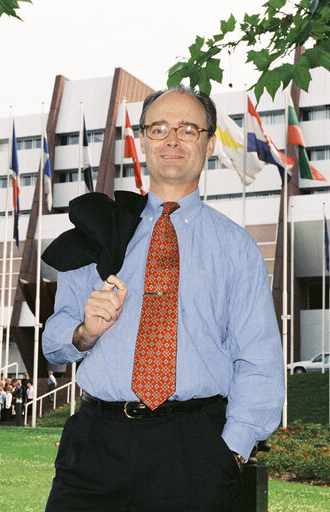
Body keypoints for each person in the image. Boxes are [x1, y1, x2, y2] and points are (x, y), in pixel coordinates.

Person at [42, 85, 284, 511]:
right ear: (143, 140)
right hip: (96, 448)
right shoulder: (101, 232)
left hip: (193, 452)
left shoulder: (236, 247)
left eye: (188, 129)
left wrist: (230, 452)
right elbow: (54, 340)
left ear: (209, 144)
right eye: (159, 128)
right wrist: (84, 332)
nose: (172, 139)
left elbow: (258, 359)